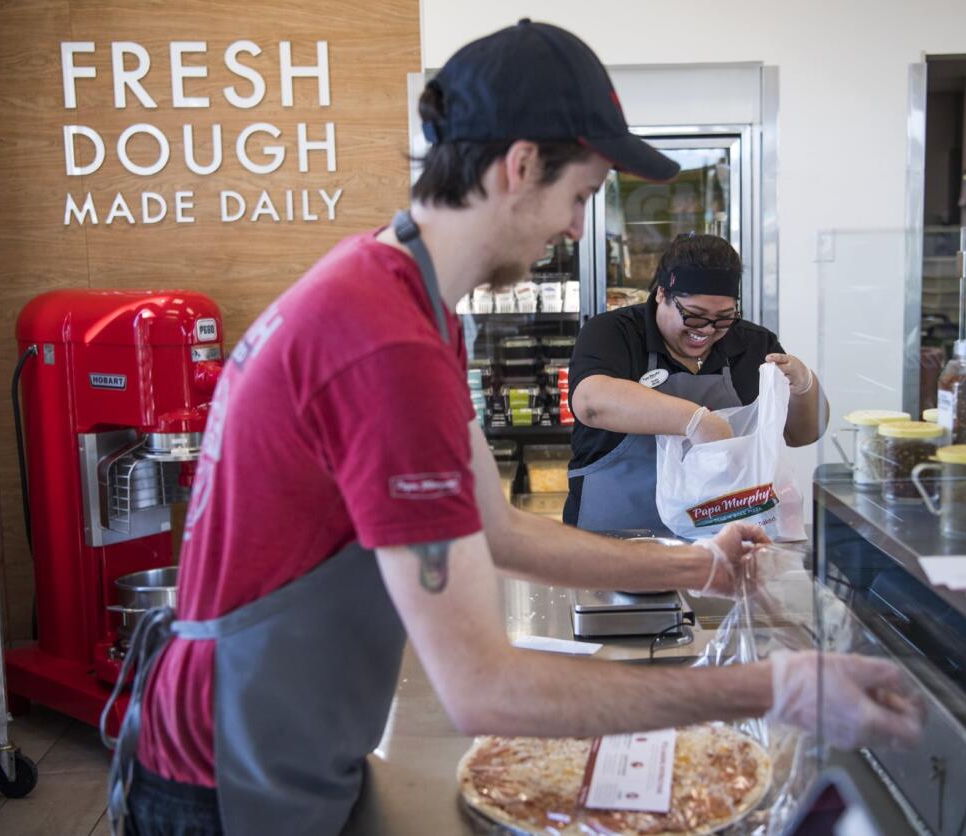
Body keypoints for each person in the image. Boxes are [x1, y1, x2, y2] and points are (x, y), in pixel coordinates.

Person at [105, 19, 922, 836]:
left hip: (290, 739)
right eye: (581, 196)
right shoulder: (383, 340)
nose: (575, 228)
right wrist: (772, 690)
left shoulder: (410, 300)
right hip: (225, 777)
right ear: (520, 164)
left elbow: (491, 528)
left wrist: (697, 567)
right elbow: (482, 688)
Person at [565, 233, 827, 534]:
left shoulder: (753, 344)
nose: (706, 330)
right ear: (662, 293)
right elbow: (591, 402)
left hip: (719, 537)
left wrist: (804, 385)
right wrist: (697, 421)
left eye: (724, 318)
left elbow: (802, 434)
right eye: (694, 316)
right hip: (617, 535)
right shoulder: (614, 332)